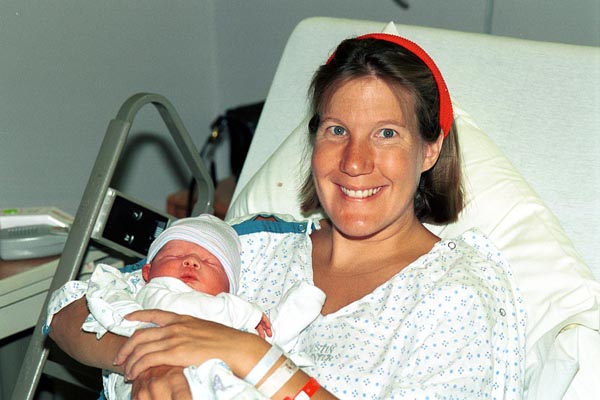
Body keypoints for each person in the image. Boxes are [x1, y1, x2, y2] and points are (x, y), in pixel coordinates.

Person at [48, 32, 526, 399]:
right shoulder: (254, 246)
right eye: (337, 130)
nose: (354, 162)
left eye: (386, 134)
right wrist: (157, 359)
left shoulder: (458, 293)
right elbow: (68, 310)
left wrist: (249, 354)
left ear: (430, 149)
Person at [45, 214, 325, 399]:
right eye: (174, 256)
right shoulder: (150, 292)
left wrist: (300, 302)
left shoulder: (232, 310)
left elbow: (269, 341)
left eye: (210, 262)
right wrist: (246, 314)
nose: (190, 262)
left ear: (229, 286)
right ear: (147, 273)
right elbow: (67, 307)